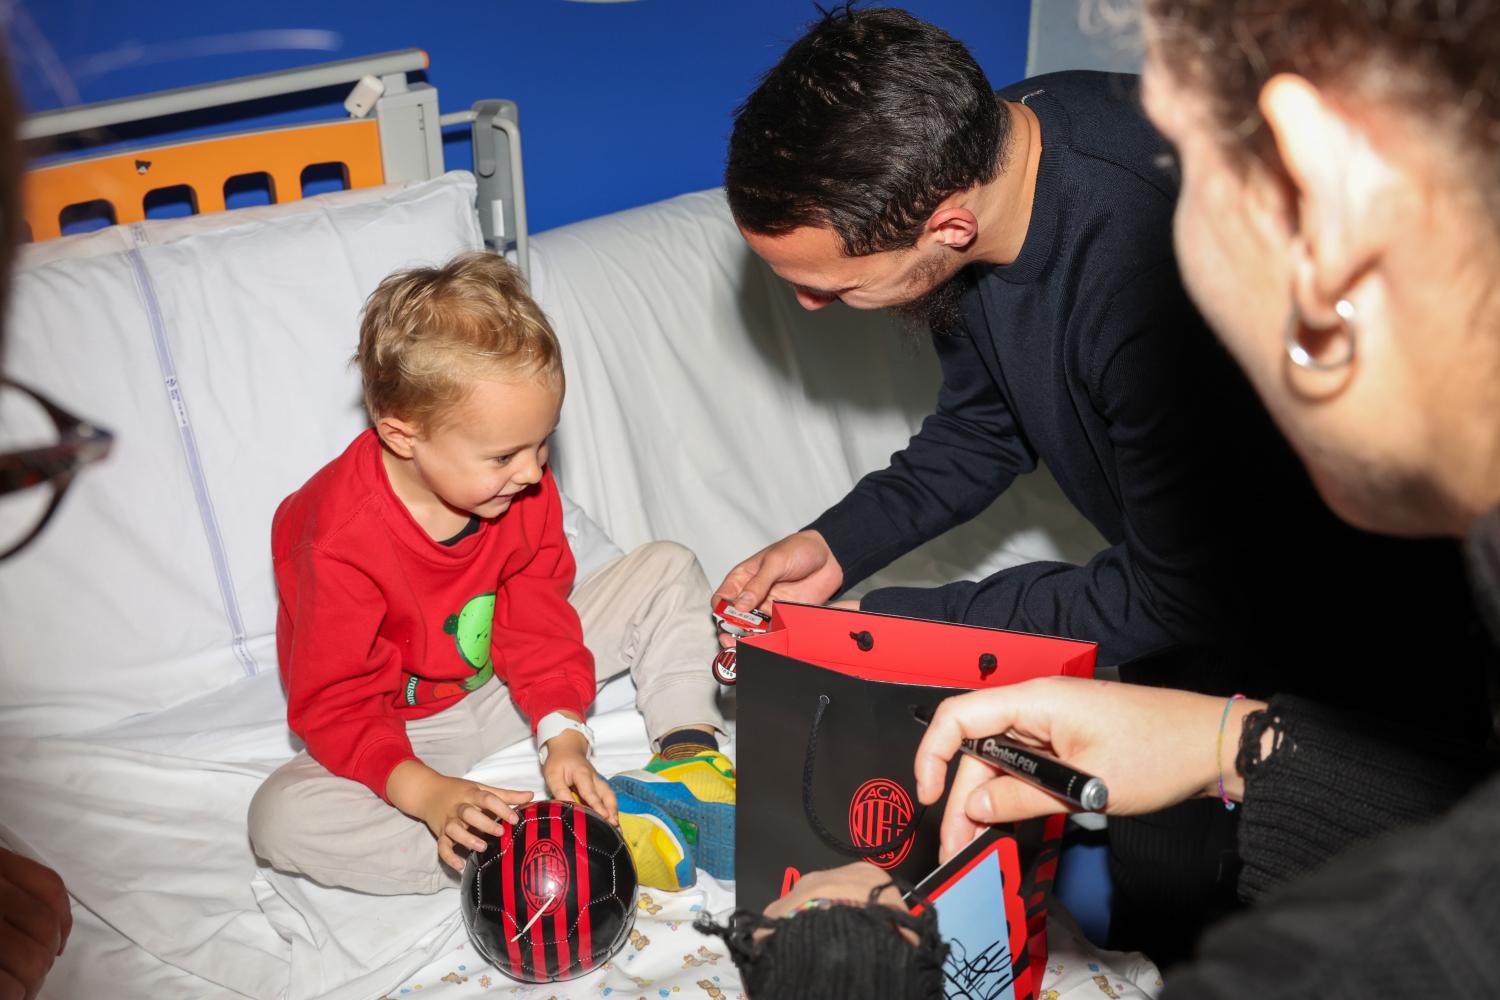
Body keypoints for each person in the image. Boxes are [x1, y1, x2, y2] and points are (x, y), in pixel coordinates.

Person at [717, 3, 1490, 961]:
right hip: (1183, 617)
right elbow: (985, 426)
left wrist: (898, 627)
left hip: (1352, 649)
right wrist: (836, 548)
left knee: (1318, 934)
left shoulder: (1146, 263)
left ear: (947, 226)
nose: (808, 304)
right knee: (1161, 897)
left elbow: (1174, 590)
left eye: (831, 285)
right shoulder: (979, 149)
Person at [247, 251, 735, 895]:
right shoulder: (333, 537)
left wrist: (563, 733)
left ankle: (688, 763)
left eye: (542, 442)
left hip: (505, 683)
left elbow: (536, 614)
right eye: (504, 456)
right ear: (402, 436)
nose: (533, 472)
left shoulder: (518, 487)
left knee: (667, 567)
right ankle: (524, 857)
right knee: (279, 819)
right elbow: (337, 704)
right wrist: (428, 794)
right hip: (407, 729)